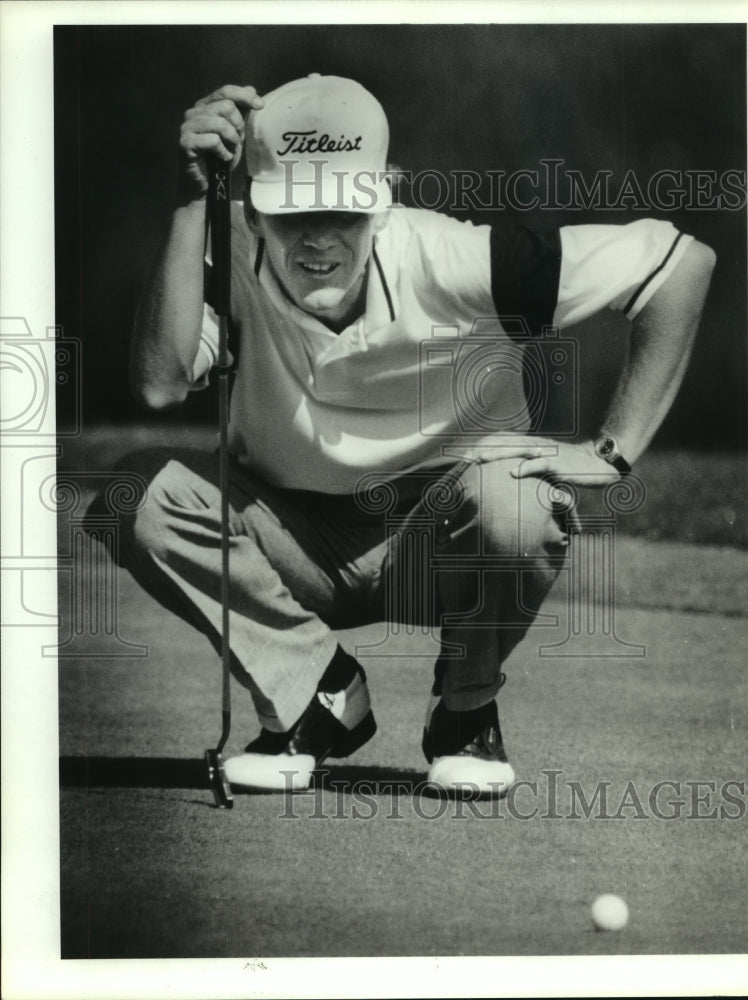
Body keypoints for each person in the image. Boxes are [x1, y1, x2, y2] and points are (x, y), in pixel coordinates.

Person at [116, 73, 715, 796]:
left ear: (385, 197)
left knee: (519, 504)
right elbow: (159, 381)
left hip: (445, 546)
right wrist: (189, 204)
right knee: (133, 496)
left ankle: (464, 711)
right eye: (290, 212)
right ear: (252, 209)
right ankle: (318, 695)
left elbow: (677, 262)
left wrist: (612, 452)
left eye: (343, 209)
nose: (316, 238)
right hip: (290, 543)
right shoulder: (227, 252)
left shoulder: (459, 261)